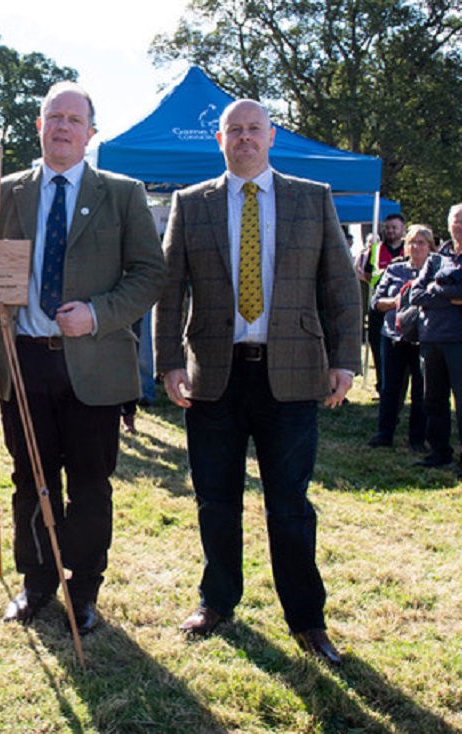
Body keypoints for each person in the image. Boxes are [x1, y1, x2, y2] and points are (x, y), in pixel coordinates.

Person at [154, 99, 361, 667]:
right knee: (215, 500)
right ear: (219, 140)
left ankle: (307, 621)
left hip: (293, 376)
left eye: (254, 130)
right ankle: (217, 600)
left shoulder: (312, 197)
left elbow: (342, 286)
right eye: (234, 131)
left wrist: (346, 359)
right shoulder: (190, 203)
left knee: (289, 505)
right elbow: (169, 292)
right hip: (212, 377)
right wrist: (168, 362)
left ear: (271, 137)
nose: (245, 139)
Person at [0, 82, 165, 635]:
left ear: (91, 132)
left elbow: (149, 274)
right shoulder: (6, 191)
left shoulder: (123, 192)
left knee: (90, 482)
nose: (62, 127)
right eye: (52, 117)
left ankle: (84, 588)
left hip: (95, 363)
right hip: (23, 361)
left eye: (74, 119)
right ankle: (37, 581)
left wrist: (98, 312)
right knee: (30, 479)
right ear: (39, 126)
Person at [367, 224, 433, 450]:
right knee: (390, 388)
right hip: (394, 336)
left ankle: (417, 439)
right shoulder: (395, 270)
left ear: (430, 247)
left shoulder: (436, 270)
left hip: (424, 338)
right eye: (412, 242)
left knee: (421, 390)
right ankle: (384, 433)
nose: (416, 247)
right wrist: (396, 301)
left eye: (421, 242)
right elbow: (376, 302)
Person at [409, 204, 462, 477]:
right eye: (455, 221)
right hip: (431, 339)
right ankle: (439, 451)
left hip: (458, 341)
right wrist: (450, 297)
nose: (458, 226)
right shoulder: (437, 259)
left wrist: (436, 291)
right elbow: (415, 295)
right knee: (433, 399)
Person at [356, 213, 407, 393]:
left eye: (395, 228)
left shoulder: (409, 249)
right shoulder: (376, 249)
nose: (391, 231)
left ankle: (400, 389)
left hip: (403, 308)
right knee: (379, 349)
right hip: (380, 306)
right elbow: (367, 272)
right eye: (388, 227)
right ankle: (382, 386)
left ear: (403, 230)